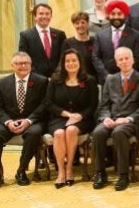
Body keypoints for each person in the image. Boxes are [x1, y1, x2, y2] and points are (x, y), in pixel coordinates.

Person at [0, 52, 48, 190]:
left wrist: (29, 120)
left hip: (33, 120)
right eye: (19, 63)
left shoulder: (41, 81)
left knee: (34, 134)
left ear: (31, 65)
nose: (23, 66)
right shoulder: (2, 83)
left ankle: (21, 170)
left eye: (26, 63)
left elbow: (45, 105)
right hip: (9, 121)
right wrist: (8, 122)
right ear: (12, 66)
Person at [92, 47, 139, 191]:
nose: (124, 62)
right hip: (112, 119)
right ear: (116, 63)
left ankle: (123, 175)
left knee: (119, 132)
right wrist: (105, 118)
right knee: (98, 132)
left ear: (133, 60)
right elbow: (104, 105)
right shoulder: (110, 79)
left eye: (126, 58)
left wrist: (128, 119)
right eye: (120, 59)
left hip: (132, 122)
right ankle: (100, 173)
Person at [45, 49, 98, 188]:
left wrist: (79, 116)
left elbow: (93, 106)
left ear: (80, 62)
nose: (71, 63)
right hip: (59, 117)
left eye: (74, 60)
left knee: (71, 130)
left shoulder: (89, 80)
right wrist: (67, 115)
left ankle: (69, 168)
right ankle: (61, 171)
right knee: (58, 133)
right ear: (63, 63)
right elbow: (48, 103)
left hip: (83, 118)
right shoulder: (55, 80)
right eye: (67, 61)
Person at [92, 0, 139, 84]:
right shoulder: (100, 35)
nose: (116, 17)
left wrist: (126, 75)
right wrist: (106, 76)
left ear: (125, 15)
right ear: (108, 15)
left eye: (119, 14)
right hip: (107, 80)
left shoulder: (135, 35)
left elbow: (137, 58)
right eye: (113, 14)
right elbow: (95, 57)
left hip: (129, 80)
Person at [19, 3, 66, 78]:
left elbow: (63, 56)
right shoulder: (25, 36)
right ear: (35, 16)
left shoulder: (60, 34)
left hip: (57, 79)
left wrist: (57, 74)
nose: (44, 16)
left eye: (47, 14)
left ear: (51, 16)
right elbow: (24, 58)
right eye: (41, 14)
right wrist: (39, 77)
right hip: (36, 80)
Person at [61, 11, 96, 78]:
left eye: (83, 22)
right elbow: (63, 63)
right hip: (74, 80)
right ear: (73, 25)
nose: (80, 25)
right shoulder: (67, 43)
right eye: (77, 23)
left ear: (87, 24)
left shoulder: (95, 41)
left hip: (93, 80)